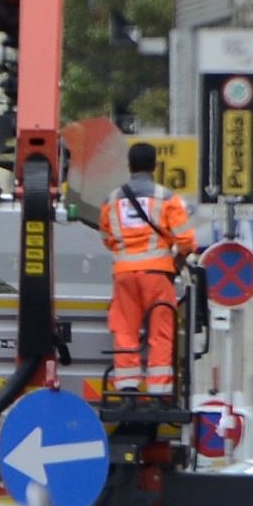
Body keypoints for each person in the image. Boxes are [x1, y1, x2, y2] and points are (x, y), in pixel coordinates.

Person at [98, 142, 196, 397]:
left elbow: (106, 237)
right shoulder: (167, 198)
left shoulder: (111, 200)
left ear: (129, 166)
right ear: (154, 166)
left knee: (125, 329)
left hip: (123, 274)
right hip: (157, 274)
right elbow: (186, 241)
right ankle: (158, 391)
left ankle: (127, 387)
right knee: (161, 332)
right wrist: (178, 258)